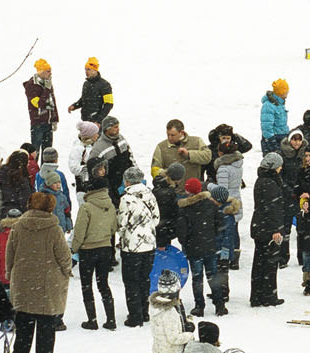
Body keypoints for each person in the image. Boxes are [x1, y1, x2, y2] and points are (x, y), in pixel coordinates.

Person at [6, 192, 72, 353]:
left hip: (23, 281)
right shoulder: (54, 229)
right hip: (48, 282)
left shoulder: (18, 226)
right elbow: (64, 256)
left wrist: (9, 272)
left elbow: (10, 252)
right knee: (47, 322)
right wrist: (67, 271)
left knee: (24, 319)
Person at [71, 158, 119, 331]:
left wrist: (74, 249)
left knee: (87, 285)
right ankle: (111, 319)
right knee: (103, 284)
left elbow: (79, 232)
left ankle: (92, 319)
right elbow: (114, 228)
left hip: (88, 251)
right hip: (105, 249)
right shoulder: (111, 205)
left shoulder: (86, 207)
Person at [116, 167, 160, 328]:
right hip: (149, 244)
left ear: (127, 180)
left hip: (132, 246)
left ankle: (135, 316)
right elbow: (156, 218)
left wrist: (122, 235)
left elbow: (122, 223)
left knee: (131, 281)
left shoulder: (126, 199)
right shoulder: (150, 195)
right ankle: (144, 310)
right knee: (144, 278)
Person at [175, 176, 225, 316]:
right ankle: (220, 305)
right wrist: (212, 236)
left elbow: (182, 231)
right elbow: (220, 224)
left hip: (194, 249)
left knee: (197, 278)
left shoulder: (185, 209)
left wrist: (185, 242)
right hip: (210, 246)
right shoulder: (211, 205)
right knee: (213, 276)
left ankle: (199, 306)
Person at [249, 151, 290, 307]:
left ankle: (257, 296)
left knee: (259, 263)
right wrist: (276, 229)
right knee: (270, 263)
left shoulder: (261, 180)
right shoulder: (271, 184)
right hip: (268, 229)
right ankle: (268, 296)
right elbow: (273, 209)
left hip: (259, 227)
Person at [152, 118, 212, 183]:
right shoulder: (161, 147)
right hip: (171, 191)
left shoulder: (196, 141)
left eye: (172, 135)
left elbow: (208, 157)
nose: (169, 137)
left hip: (193, 190)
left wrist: (189, 155)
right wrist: (169, 174)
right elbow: (155, 169)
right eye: (168, 134)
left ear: (182, 132)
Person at [34, 147, 72, 233]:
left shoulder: (38, 174)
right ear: (56, 160)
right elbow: (65, 191)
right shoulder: (59, 174)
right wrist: (69, 208)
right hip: (59, 210)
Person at [23, 62, 58, 152]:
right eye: (48, 71)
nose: (51, 74)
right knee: (35, 151)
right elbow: (38, 104)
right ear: (41, 72)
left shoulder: (48, 83)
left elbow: (52, 101)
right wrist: (46, 89)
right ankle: (34, 166)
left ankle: (45, 166)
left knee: (48, 151)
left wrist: (54, 119)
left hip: (48, 122)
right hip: (37, 123)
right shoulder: (31, 85)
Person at [0, 148, 35, 222]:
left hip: (5, 211)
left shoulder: (3, 174)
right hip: (19, 215)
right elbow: (25, 200)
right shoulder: (22, 180)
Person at [74, 59, 113, 126]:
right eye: (85, 69)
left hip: (97, 122)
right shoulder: (86, 84)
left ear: (95, 70)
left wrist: (99, 121)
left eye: (88, 69)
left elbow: (109, 104)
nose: (86, 72)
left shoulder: (105, 85)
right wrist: (74, 106)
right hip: (85, 120)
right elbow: (84, 99)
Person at [259, 80, 289, 147]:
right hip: (274, 138)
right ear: (281, 92)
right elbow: (266, 126)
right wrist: (272, 141)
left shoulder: (280, 104)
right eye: (286, 90)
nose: (288, 92)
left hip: (282, 137)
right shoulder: (268, 106)